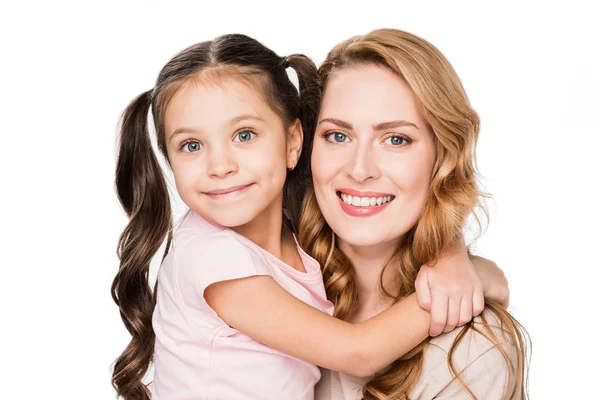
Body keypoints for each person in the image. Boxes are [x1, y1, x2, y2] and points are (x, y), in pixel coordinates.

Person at [112, 33, 509, 400]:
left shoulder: (297, 234)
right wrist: (473, 279)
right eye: (192, 145)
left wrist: (453, 255)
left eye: (245, 135)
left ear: (292, 143)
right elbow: (358, 353)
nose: (220, 166)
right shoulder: (212, 256)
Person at [301, 29, 530, 400]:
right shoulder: (267, 284)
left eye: (396, 139)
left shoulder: (470, 350)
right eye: (338, 136)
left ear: (443, 158)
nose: (360, 170)